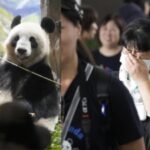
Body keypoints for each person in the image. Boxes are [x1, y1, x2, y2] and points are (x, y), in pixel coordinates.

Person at [61, 0, 145, 150]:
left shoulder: (109, 87)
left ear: (78, 29)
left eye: (59, 27)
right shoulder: (26, 88)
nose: (50, 37)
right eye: (105, 28)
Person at [119, 18, 150, 150]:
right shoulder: (120, 72)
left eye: (137, 51)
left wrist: (142, 79)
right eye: (127, 50)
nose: (131, 56)